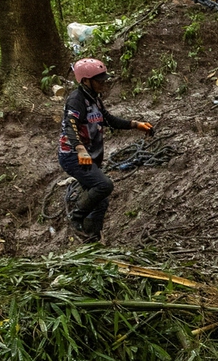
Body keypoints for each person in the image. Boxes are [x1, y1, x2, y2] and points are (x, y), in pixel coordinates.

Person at [57, 59, 152, 244]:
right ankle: (75, 217)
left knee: (101, 202)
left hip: (89, 155)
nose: (103, 84)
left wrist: (135, 125)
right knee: (104, 185)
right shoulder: (76, 100)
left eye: (104, 80)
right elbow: (70, 126)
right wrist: (80, 149)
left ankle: (90, 240)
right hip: (73, 156)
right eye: (99, 80)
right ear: (85, 81)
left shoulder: (94, 99)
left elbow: (107, 119)